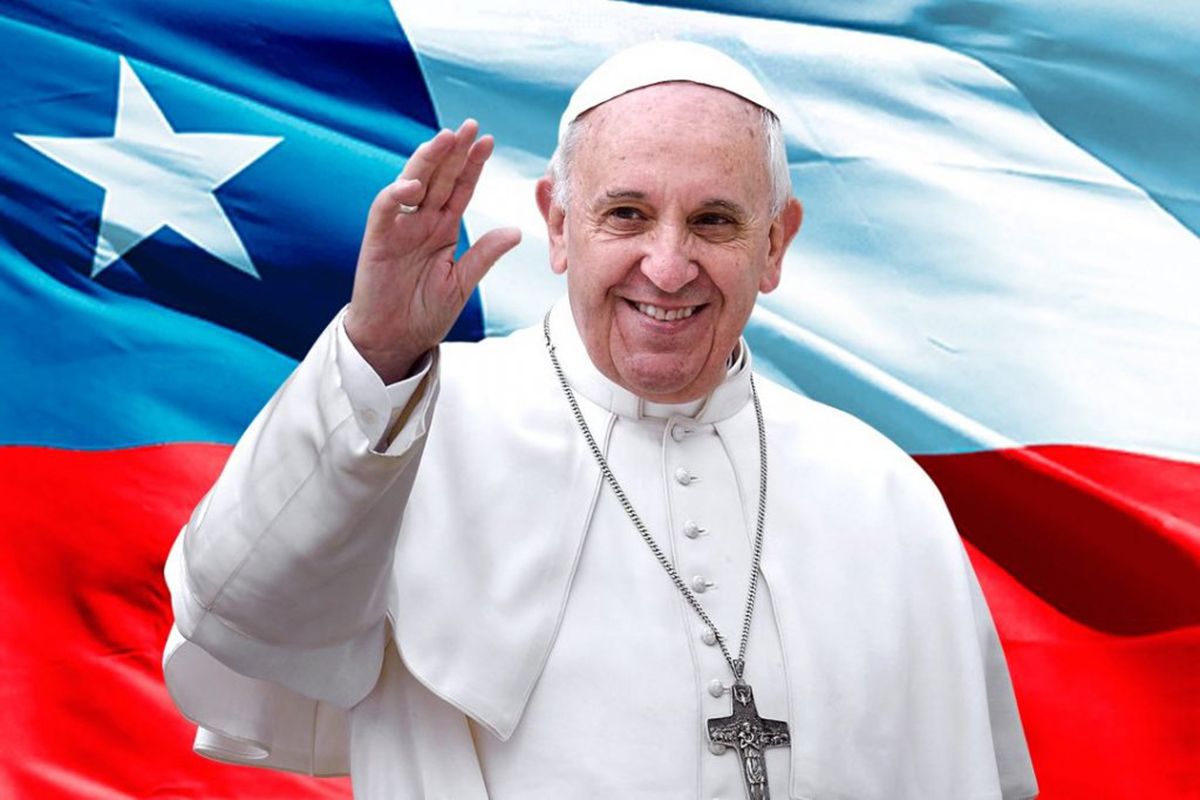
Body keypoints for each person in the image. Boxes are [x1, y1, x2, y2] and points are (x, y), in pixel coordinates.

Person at [162, 41, 1038, 799]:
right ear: (557, 223)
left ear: (774, 245)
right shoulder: (402, 425)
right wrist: (376, 353)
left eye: (714, 222)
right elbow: (241, 612)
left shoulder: (881, 494)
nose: (668, 266)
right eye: (626, 214)